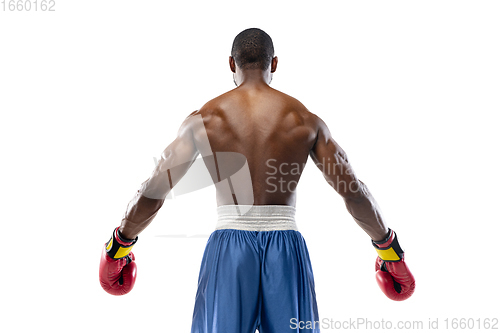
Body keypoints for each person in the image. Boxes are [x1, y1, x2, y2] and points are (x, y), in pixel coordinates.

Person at [99, 28, 415, 333]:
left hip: (229, 248)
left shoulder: (205, 119)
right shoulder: (305, 120)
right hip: (286, 249)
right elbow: (354, 193)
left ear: (231, 64)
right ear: (274, 63)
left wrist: (118, 246)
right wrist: (390, 251)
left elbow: (154, 189)